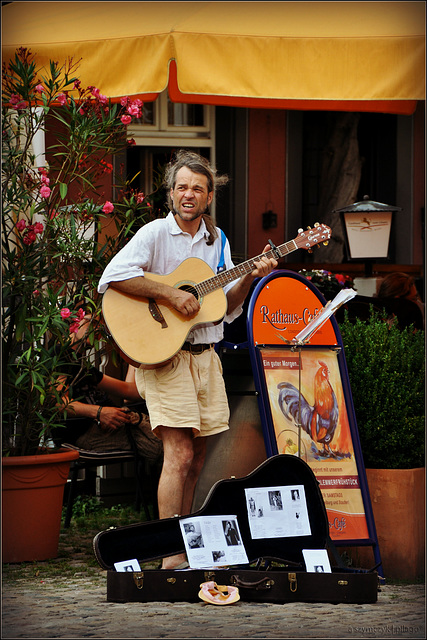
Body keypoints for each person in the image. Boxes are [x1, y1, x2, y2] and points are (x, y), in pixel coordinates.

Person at [98, 149, 277, 569]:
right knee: (177, 456)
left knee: (197, 458)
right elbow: (112, 277)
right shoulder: (155, 234)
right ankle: (169, 553)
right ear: (171, 193)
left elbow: (225, 307)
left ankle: (188, 543)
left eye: (197, 188)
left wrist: (252, 275)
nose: (189, 194)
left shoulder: (218, 242)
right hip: (167, 358)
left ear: (210, 195)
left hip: (206, 358)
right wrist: (169, 293)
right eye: (182, 187)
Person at [55, 314, 163, 465]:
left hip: (111, 423)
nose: (96, 333)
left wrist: (136, 352)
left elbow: (128, 391)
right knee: (166, 446)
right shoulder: (59, 355)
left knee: (169, 438)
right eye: (91, 324)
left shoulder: (81, 364)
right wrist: (100, 412)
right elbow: (59, 403)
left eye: (101, 331)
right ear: (75, 321)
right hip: (83, 433)